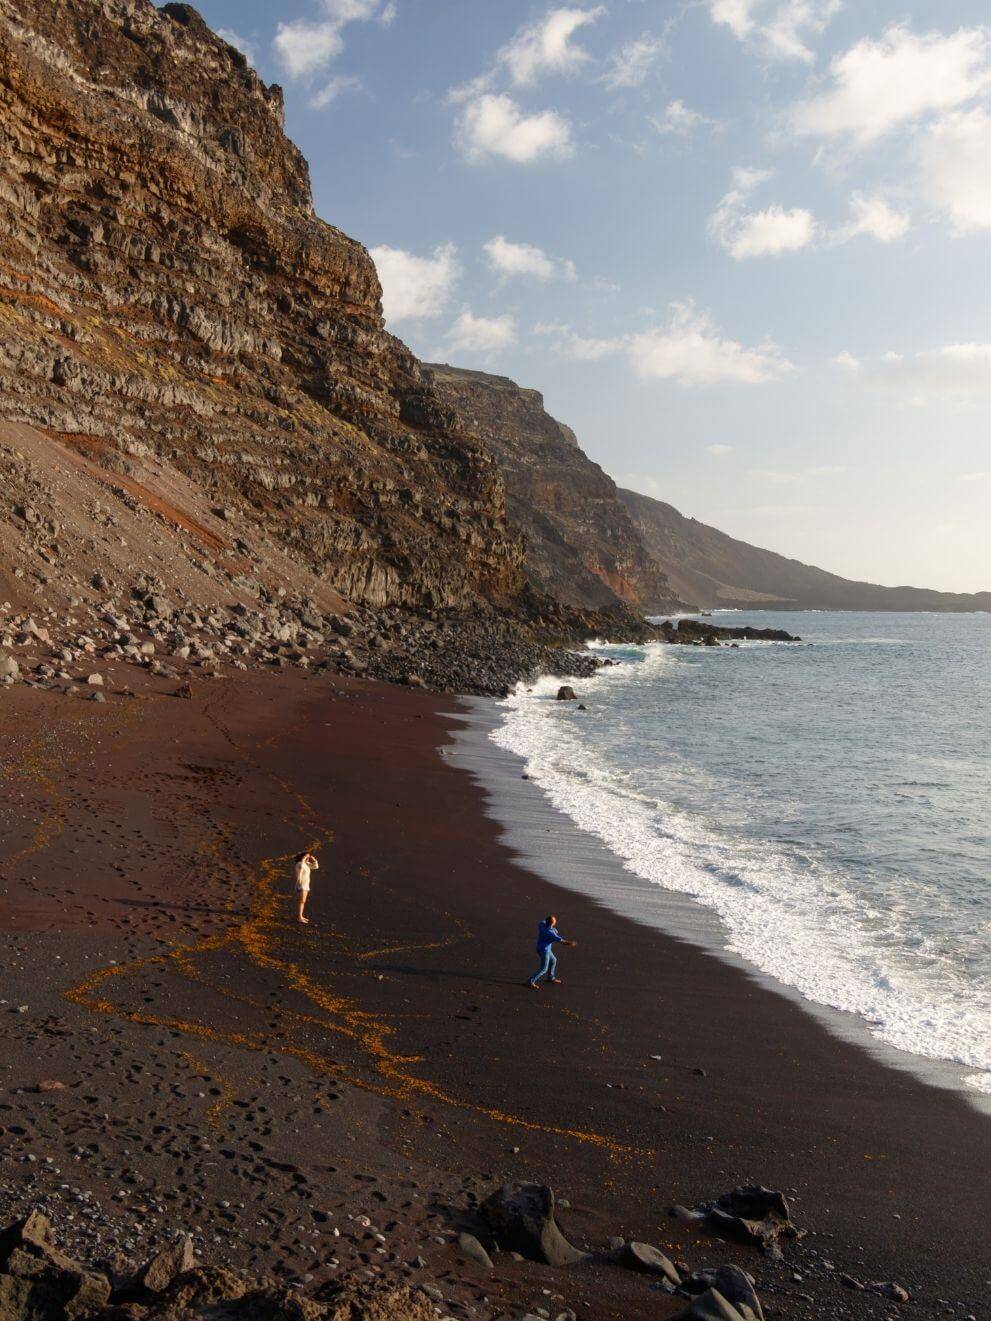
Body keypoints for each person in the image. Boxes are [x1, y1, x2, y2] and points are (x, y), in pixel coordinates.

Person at [528, 913, 576, 989]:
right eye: (554, 921)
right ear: (552, 924)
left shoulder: (542, 925)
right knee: (544, 968)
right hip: (544, 951)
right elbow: (562, 942)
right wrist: (571, 943)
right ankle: (530, 981)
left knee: (553, 960)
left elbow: (544, 921)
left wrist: (553, 928)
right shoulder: (551, 933)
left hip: (542, 947)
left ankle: (551, 977)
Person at [293, 851, 319, 925]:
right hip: (301, 885)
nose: (308, 858)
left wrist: (314, 860)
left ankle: (300, 916)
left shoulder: (306, 864)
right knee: (301, 901)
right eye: (306, 857)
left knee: (303, 901)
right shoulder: (299, 864)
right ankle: (299, 917)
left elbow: (315, 867)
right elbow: (301, 867)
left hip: (306, 885)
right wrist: (303, 859)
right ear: (303, 857)